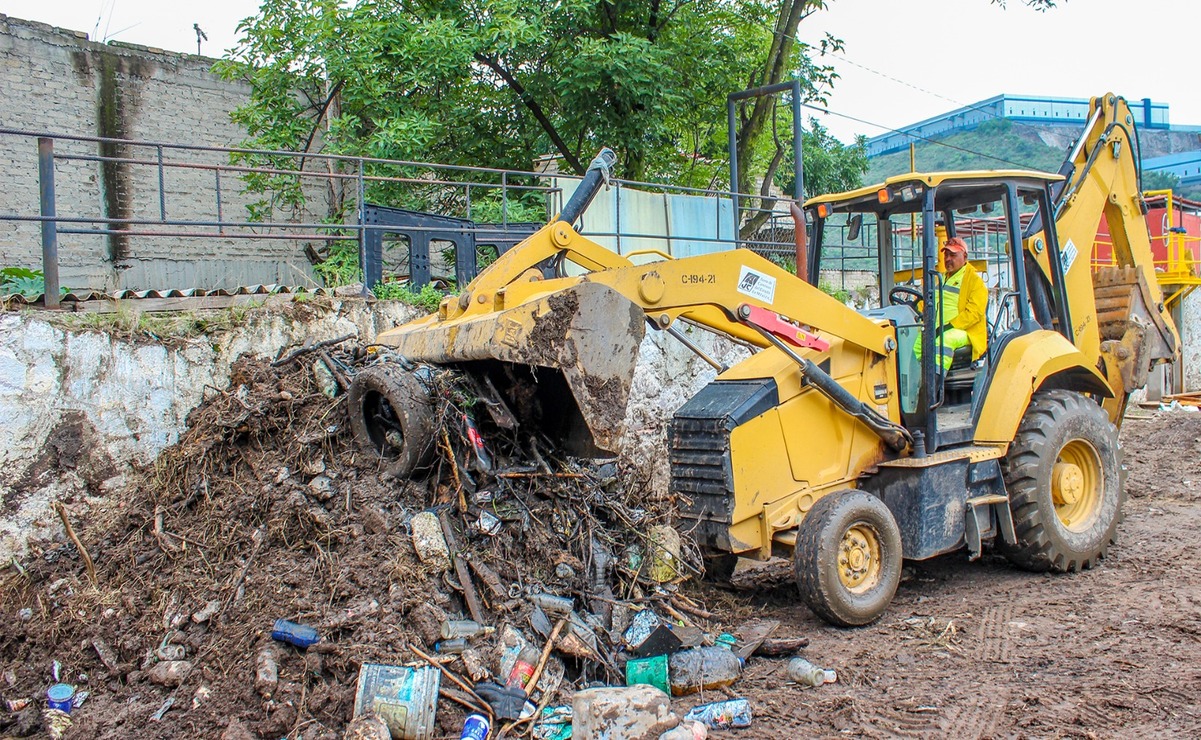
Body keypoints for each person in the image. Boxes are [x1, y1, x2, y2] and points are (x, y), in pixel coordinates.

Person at [916, 237, 988, 370]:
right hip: (937, 328)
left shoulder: (974, 281)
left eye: (953, 255)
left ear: (964, 256)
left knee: (943, 341)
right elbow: (929, 301)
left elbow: (974, 313)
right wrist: (916, 309)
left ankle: (934, 379)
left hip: (963, 330)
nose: (948, 259)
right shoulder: (941, 278)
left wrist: (948, 326)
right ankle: (915, 378)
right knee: (914, 343)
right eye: (946, 255)